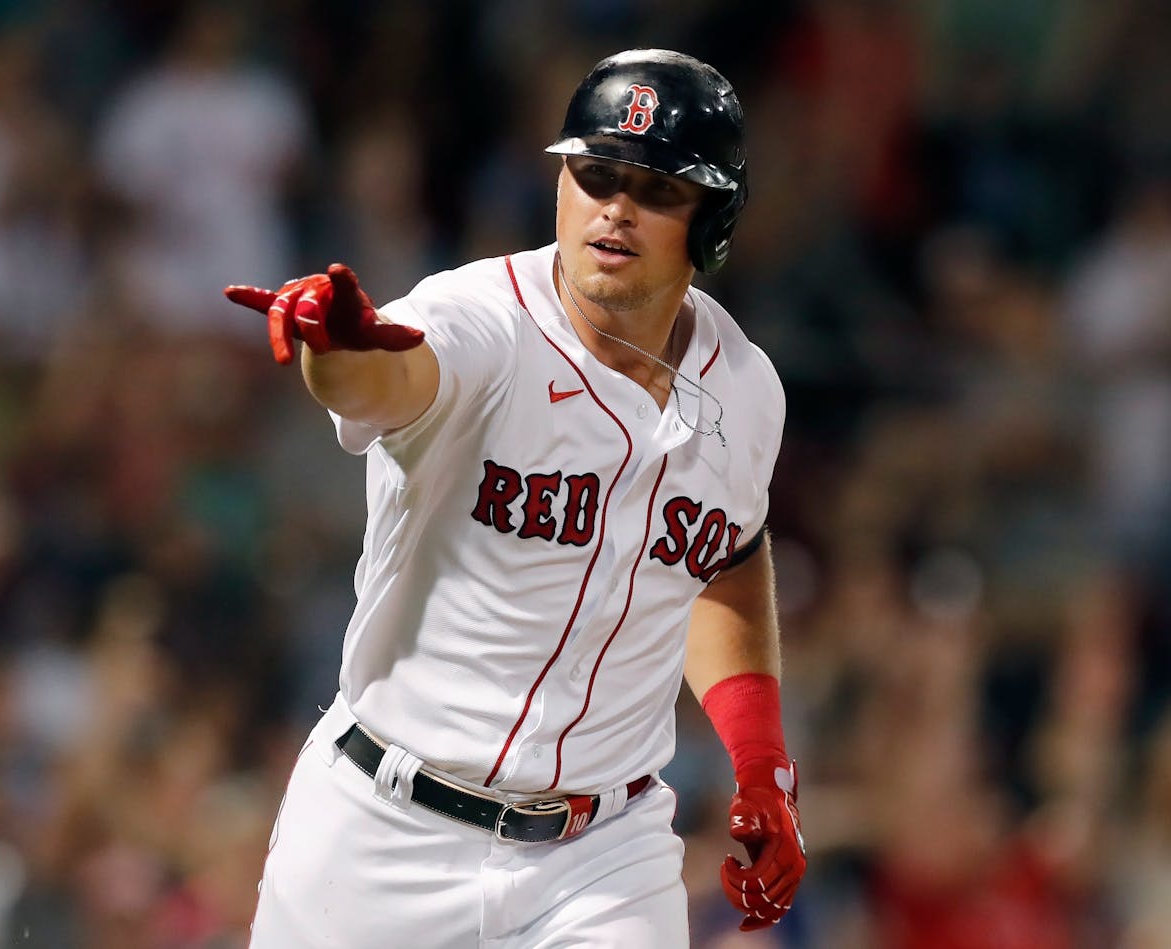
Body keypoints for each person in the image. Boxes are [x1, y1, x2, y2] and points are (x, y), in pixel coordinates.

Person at [225, 49, 803, 947]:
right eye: (595, 174)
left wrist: (761, 765)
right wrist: (334, 348)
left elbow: (722, 554)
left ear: (713, 219)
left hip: (601, 855)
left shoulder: (746, 389)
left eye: (655, 188)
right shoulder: (482, 319)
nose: (615, 207)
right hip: (383, 834)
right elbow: (389, 380)